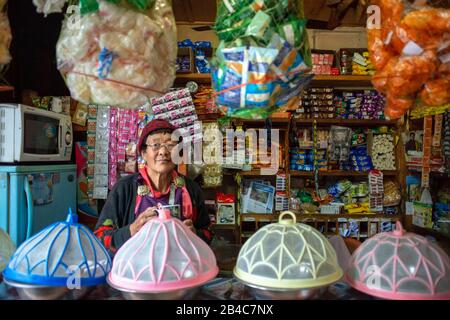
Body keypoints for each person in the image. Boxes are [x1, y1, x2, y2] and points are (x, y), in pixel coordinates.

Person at [94, 119, 212, 254]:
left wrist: (195, 235)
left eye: (170, 145)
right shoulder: (124, 189)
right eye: (156, 145)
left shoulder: (191, 189)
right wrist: (132, 229)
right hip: (136, 271)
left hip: (179, 271)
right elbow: (100, 237)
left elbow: (208, 232)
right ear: (143, 153)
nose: (163, 152)